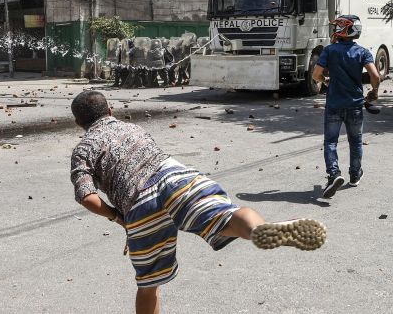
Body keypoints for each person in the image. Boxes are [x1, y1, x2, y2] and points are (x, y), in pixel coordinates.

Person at [69, 90, 326, 314]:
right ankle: (259, 229)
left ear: (79, 123)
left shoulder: (84, 148)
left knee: (148, 286)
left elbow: (87, 197)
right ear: (111, 110)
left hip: (138, 204)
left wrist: (119, 217)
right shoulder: (133, 128)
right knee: (227, 217)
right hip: (175, 177)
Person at [311, 15, 381, 198]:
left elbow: (316, 74)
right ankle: (355, 174)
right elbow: (375, 75)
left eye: (337, 28)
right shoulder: (363, 52)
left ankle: (334, 174)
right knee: (355, 142)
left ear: (343, 30)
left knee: (331, 142)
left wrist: (325, 81)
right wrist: (374, 91)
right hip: (355, 105)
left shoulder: (329, 50)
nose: (334, 30)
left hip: (334, 104)